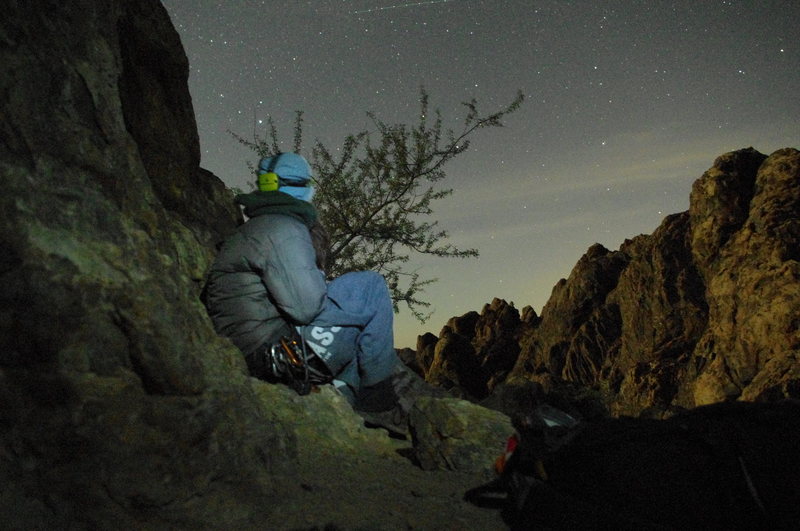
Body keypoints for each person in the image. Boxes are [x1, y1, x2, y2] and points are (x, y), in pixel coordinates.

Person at [203, 152, 416, 435]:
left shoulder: (257, 228)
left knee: (357, 331)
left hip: (257, 353)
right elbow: (306, 308)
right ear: (303, 186)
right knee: (370, 287)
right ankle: (380, 404)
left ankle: (343, 406)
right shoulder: (282, 228)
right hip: (272, 358)